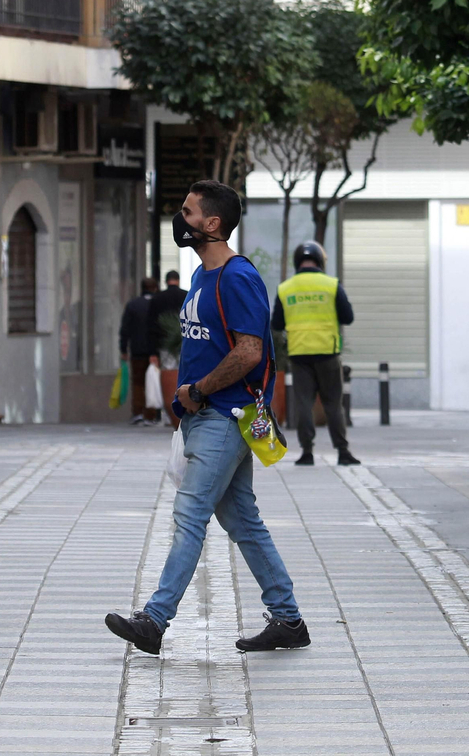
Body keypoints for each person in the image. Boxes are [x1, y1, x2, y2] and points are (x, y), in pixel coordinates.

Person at [106, 180, 309, 655]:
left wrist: (197, 390)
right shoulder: (201, 278)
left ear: (211, 224)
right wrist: (186, 404)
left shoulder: (237, 278)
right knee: (243, 522)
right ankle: (289, 619)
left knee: (190, 513)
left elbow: (249, 351)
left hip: (225, 415)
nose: (182, 220)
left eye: (188, 212)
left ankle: (155, 621)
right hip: (203, 416)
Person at [272, 241, 359, 466]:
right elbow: (348, 317)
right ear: (321, 260)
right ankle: (343, 452)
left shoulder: (285, 288)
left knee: (304, 404)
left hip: (299, 354)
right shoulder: (331, 285)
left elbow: (277, 323)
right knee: (333, 404)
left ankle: (307, 453)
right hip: (327, 353)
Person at [118, 278, 159, 424]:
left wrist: (123, 349)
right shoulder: (158, 303)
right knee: (152, 382)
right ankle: (150, 414)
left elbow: (125, 329)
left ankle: (137, 412)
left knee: (138, 383)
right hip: (155, 351)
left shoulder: (133, 304)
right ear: (155, 287)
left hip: (137, 350)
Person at [147, 268, 187, 359]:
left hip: (163, 343)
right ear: (178, 280)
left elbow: (151, 325)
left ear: (166, 281)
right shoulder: (186, 296)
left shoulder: (157, 298)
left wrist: (152, 352)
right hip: (183, 343)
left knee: (167, 372)